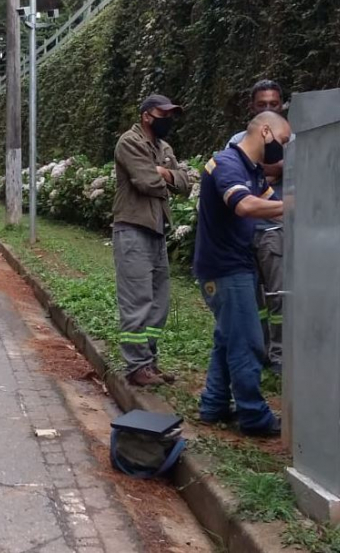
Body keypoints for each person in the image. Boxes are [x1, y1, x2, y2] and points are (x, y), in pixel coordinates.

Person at [195, 111, 291, 437]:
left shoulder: (251, 171)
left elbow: (269, 201)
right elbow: (245, 206)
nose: (284, 150)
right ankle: (253, 415)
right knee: (247, 342)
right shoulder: (226, 164)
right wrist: (295, 205)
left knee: (227, 338)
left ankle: (214, 403)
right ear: (265, 132)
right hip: (224, 270)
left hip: (236, 265)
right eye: (283, 141)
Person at [112, 94, 193, 387]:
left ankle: (150, 362)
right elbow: (145, 182)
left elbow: (186, 183)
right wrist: (165, 174)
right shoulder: (129, 142)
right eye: (165, 114)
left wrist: (162, 172)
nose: (169, 120)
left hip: (157, 229)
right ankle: (136, 367)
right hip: (133, 228)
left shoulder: (164, 146)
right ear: (147, 115)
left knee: (159, 302)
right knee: (137, 300)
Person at [226, 80, 287, 373]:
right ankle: (257, 351)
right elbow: (248, 173)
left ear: (282, 105)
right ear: (252, 107)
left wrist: (264, 169)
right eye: (261, 104)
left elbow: (279, 169)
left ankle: (280, 356)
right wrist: (272, 169)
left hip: (275, 232)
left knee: (279, 296)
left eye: (273, 104)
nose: (267, 108)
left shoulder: (291, 138)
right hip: (245, 232)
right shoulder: (237, 140)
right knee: (251, 299)